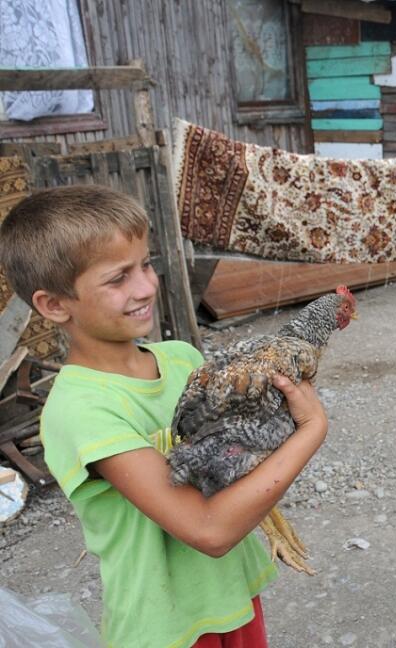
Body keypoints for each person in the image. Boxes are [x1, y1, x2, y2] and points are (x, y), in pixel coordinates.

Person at [0, 185, 329, 648]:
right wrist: (311, 429)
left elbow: (236, 462)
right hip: (166, 628)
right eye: (118, 278)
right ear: (54, 305)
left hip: (232, 597)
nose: (146, 286)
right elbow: (209, 530)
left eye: (145, 264)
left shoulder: (181, 360)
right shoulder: (80, 410)